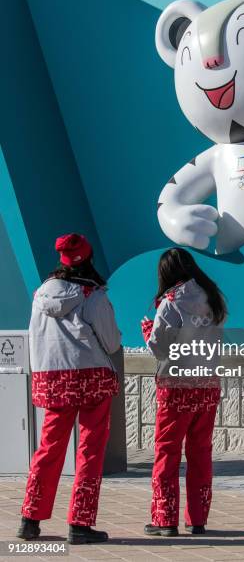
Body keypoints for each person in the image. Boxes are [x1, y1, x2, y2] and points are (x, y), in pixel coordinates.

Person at [17, 233, 121, 544]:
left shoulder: (40, 295)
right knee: (89, 450)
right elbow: (112, 341)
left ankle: (30, 519)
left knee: (49, 447)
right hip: (92, 376)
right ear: (89, 258)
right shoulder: (94, 296)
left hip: (53, 377)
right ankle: (80, 523)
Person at [141, 247, 227, 537]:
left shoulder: (171, 302)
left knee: (167, 451)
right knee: (200, 452)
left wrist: (148, 331)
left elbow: (160, 347)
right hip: (207, 383)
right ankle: (198, 519)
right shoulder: (214, 298)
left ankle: (165, 519)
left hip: (176, 386)